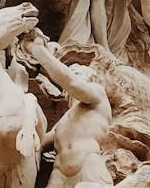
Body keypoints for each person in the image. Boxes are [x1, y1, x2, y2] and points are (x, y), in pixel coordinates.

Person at [21, 34, 113, 187]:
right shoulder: (65, 120)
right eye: (73, 72)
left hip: (87, 166)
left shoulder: (98, 96)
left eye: (79, 73)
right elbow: (40, 143)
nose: (74, 75)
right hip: (59, 174)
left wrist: (37, 50)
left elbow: (71, 82)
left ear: (92, 79)